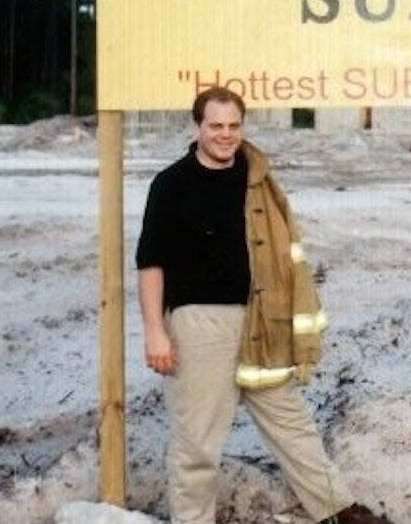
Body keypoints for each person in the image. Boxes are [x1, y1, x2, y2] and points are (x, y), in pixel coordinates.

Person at [136, 86, 390, 524]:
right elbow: (150, 263)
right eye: (216, 126)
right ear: (198, 126)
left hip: (262, 320)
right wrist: (155, 331)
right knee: (197, 445)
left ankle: (341, 511)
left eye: (234, 126)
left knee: (293, 426)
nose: (225, 135)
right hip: (200, 325)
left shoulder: (258, 179)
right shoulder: (171, 184)